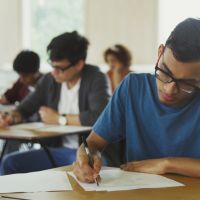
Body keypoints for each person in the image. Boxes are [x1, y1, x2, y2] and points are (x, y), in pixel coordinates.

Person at [73, 18, 200, 183]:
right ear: (159, 53)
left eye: (186, 83)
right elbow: (93, 143)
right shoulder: (133, 87)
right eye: (164, 72)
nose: (169, 89)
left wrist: (167, 164)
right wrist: (86, 155)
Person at [0, 31, 110, 175]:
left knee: (91, 165)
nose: (54, 72)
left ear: (79, 64)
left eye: (60, 68)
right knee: (10, 162)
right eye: (52, 66)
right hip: (55, 151)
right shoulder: (49, 80)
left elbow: (100, 117)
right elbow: (25, 108)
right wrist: (11, 117)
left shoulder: (96, 78)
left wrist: (60, 119)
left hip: (85, 151)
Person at [0, 50, 43, 154]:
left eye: (25, 76)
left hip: (38, 125)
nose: (21, 79)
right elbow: (5, 98)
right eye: (19, 75)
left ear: (36, 72)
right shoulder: (20, 83)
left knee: (11, 137)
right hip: (19, 122)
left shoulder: (45, 83)